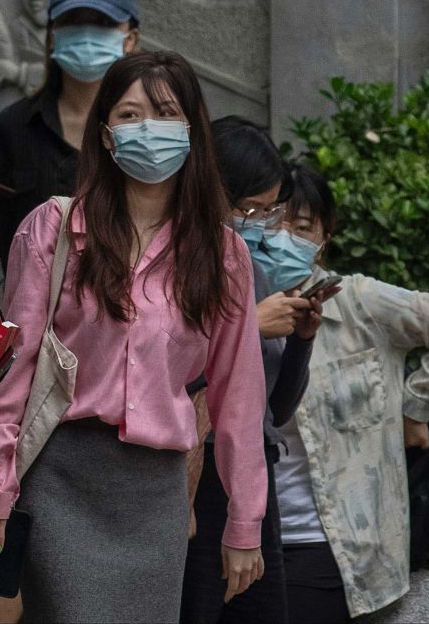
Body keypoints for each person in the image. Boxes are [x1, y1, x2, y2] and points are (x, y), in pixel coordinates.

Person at [0, 52, 268, 623]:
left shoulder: (224, 254)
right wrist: (2, 483)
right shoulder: (53, 228)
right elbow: (16, 369)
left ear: (192, 129)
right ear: (107, 134)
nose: (148, 129)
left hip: (156, 494)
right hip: (62, 478)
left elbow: (238, 396)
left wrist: (245, 520)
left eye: (164, 113)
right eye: (131, 114)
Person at [270, 164, 429, 623]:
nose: (283, 237)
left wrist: (416, 407)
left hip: (335, 545)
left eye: (302, 227)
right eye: (271, 222)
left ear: (325, 237)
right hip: (243, 538)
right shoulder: (227, 306)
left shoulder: (359, 303)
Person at [180, 116, 332, 624]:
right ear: (213, 187)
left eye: (271, 212)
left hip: (253, 467)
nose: (261, 224)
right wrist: (250, 328)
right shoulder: (177, 263)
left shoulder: (254, 269)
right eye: (252, 209)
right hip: (199, 467)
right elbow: (159, 378)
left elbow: (276, 407)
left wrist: (301, 341)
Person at [0, 0, 139, 269]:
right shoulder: (13, 128)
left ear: (130, 39)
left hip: (131, 309)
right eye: (73, 22)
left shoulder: (147, 131)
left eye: (103, 23)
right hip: (26, 311)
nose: (87, 35)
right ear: (52, 36)